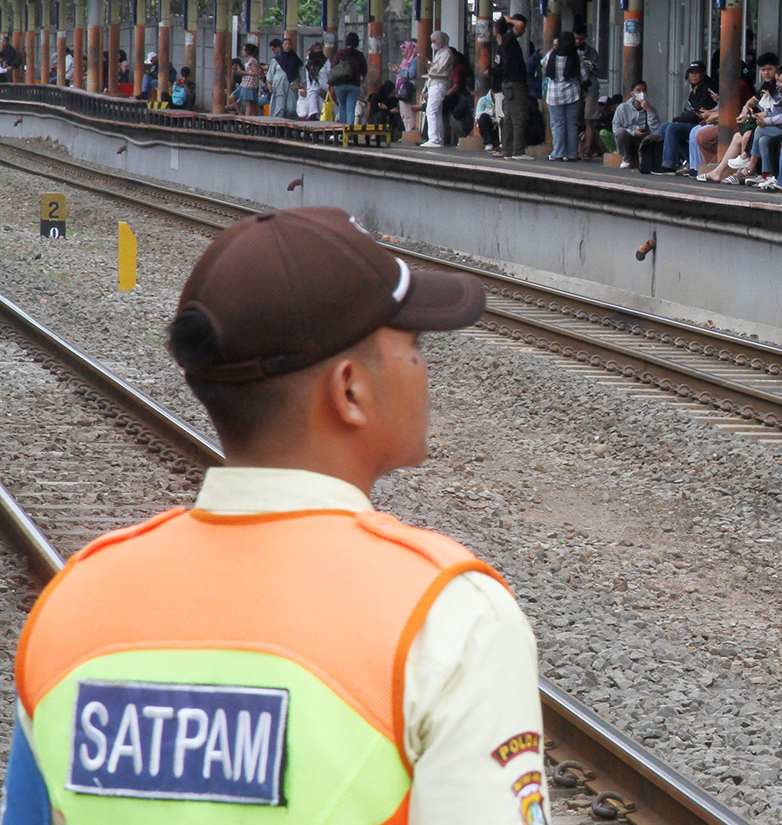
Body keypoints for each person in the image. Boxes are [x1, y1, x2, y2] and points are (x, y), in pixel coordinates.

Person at [2, 206, 549, 825]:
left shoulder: (74, 603)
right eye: (414, 347)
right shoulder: (450, 617)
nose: (426, 369)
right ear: (350, 390)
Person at [652, 61, 717, 174]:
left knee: (673, 129)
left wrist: (680, 120)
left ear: (703, 74)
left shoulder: (708, 88)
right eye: (691, 73)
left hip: (703, 123)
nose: (693, 76)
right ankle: (687, 161)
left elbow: (698, 114)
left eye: (697, 73)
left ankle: (669, 165)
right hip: (691, 122)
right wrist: (680, 119)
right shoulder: (696, 89)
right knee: (664, 128)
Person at [543, 32, 588, 162]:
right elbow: (584, 76)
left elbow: (543, 63)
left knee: (557, 124)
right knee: (572, 124)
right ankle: (572, 154)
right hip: (572, 94)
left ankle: (557, 153)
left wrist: (554, 47)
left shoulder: (551, 55)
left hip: (554, 95)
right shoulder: (577, 55)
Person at [492, 15, 530, 159]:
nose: (523, 30)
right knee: (519, 117)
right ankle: (518, 151)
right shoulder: (508, 38)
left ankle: (507, 150)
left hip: (508, 83)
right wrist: (510, 20)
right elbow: (519, 24)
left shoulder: (505, 42)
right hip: (515, 83)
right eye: (524, 28)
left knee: (508, 118)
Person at [612, 80, 660, 169]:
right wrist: (633, 131)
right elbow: (616, 127)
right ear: (633, 94)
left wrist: (649, 111)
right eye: (638, 90)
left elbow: (656, 128)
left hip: (643, 139)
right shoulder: (623, 108)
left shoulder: (651, 109)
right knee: (620, 132)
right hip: (628, 138)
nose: (642, 93)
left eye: (644, 90)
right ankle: (625, 159)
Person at [573, 23, 602, 159]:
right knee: (574, 119)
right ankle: (577, 148)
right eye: (576, 39)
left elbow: (599, 70)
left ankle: (587, 150)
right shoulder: (569, 50)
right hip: (574, 88)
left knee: (590, 119)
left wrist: (591, 65)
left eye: (581, 39)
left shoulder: (591, 52)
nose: (578, 42)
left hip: (591, 87)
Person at [421, 30, 453, 147]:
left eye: (434, 41)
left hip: (439, 83)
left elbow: (438, 69)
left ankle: (434, 139)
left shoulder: (447, 53)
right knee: (436, 112)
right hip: (433, 83)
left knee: (431, 110)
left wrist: (428, 62)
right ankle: (438, 138)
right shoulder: (439, 53)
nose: (433, 44)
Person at [329, 32, 367, 125]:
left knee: (342, 107)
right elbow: (364, 71)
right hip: (354, 86)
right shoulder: (359, 55)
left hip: (340, 85)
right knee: (351, 109)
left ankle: (342, 131)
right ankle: (349, 132)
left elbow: (333, 68)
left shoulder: (340, 53)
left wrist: (330, 84)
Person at [393, 40, 419, 131]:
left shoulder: (414, 60)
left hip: (409, 89)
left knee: (408, 112)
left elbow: (411, 74)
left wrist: (399, 71)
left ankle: (410, 132)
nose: (403, 53)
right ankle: (408, 130)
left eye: (404, 51)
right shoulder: (406, 60)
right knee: (404, 113)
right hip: (404, 88)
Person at [299, 43, 329, 121]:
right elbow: (306, 77)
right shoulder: (308, 64)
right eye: (316, 49)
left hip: (323, 90)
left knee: (323, 113)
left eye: (319, 49)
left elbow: (329, 73)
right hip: (311, 90)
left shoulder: (326, 61)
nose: (318, 51)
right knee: (313, 113)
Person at [237, 43, 261, 116]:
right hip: (247, 83)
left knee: (248, 103)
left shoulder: (252, 61)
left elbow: (256, 73)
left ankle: (247, 118)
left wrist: (244, 73)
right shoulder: (249, 60)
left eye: (244, 50)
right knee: (251, 103)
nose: (242, 51)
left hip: (250, 84)